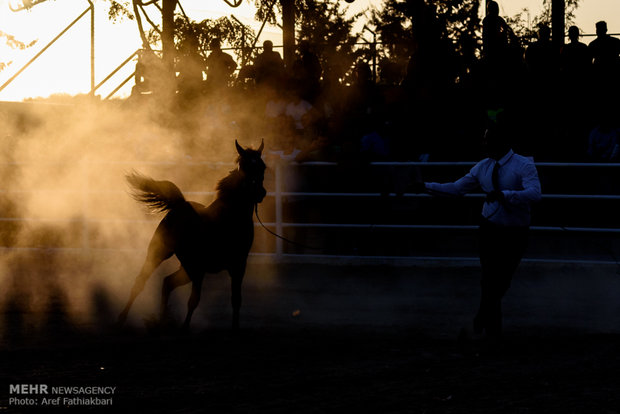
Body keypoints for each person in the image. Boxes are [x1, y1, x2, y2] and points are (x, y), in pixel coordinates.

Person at [412, 122, 542, 340]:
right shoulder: (489, 166)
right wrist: (426, 186)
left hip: (510, 231)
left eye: (489, 140)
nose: (485, 144)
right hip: (495, 229)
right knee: (494, 279)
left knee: (496, 279)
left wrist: (504, 194)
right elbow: (456, 188)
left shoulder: (521, 165)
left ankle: (483, 322)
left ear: (502, 142)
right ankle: (489, 329)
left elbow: (535, 193)